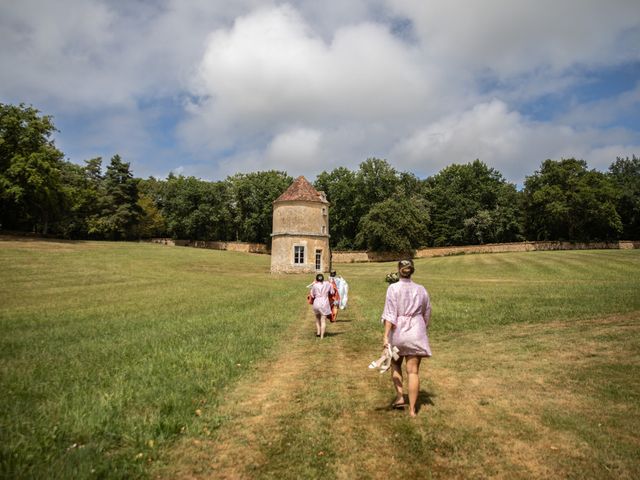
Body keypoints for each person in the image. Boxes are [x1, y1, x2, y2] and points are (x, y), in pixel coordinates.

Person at [381, 259, 432, 417]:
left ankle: (400, 397)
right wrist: (422, 327)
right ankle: (412, 411)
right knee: (413, 371)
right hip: (416, 332)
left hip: (398, 333)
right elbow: (427, 312)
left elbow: (390, 314)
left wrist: (385, 337)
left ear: (399, 270)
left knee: (395, 363)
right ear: (412, 271)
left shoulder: (393, 289)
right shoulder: (421, 289)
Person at [309, 273, 334, 339]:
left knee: (317, 318)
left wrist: (313, 283)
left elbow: (312, 295)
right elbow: (332, 292)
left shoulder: (314, 285)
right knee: (323, 320)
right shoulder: (328, 284)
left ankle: (318, 333)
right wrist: (330, 282)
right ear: (323, 279)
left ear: (316, 279)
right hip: (324, 303)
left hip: (316, 303)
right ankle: (322, 337)